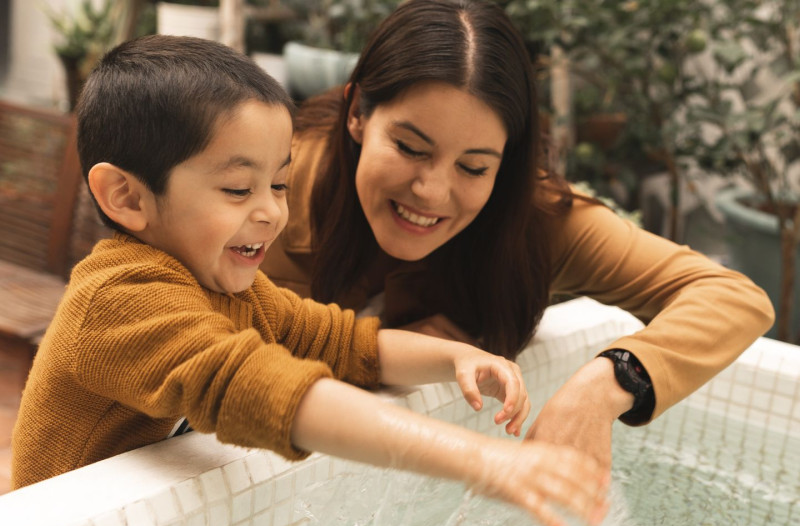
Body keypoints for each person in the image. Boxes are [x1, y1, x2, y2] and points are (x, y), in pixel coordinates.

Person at [11, 35, 609, 526]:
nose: (272, 212)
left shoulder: (232, 290)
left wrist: (457, 356)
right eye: (239, 190)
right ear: (128, 197)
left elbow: (344, 343)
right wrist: (480, 458)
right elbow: (267, 390)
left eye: (280, 184)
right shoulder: (119, 302)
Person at [261, 0, 775, 468]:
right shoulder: (261, 196)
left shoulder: (533, 221)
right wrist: (392, 350)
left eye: (474, 167)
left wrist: (605, 385)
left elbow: (732, 298)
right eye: (411, 148)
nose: (433, 192)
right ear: (357, 114)